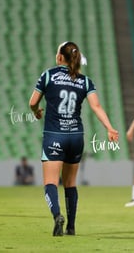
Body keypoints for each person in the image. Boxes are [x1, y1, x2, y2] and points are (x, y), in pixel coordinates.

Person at [29, 41, 119, 236]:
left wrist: (37, 111)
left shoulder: (48, 75)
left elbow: (33, 102)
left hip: (55, 135)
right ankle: (71, 226)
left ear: (60, 57)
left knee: (51, 182)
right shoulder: (85, 81)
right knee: (70, 183)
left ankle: (56, 216)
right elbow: (96, 107)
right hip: (76, 137)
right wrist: (110, 128)